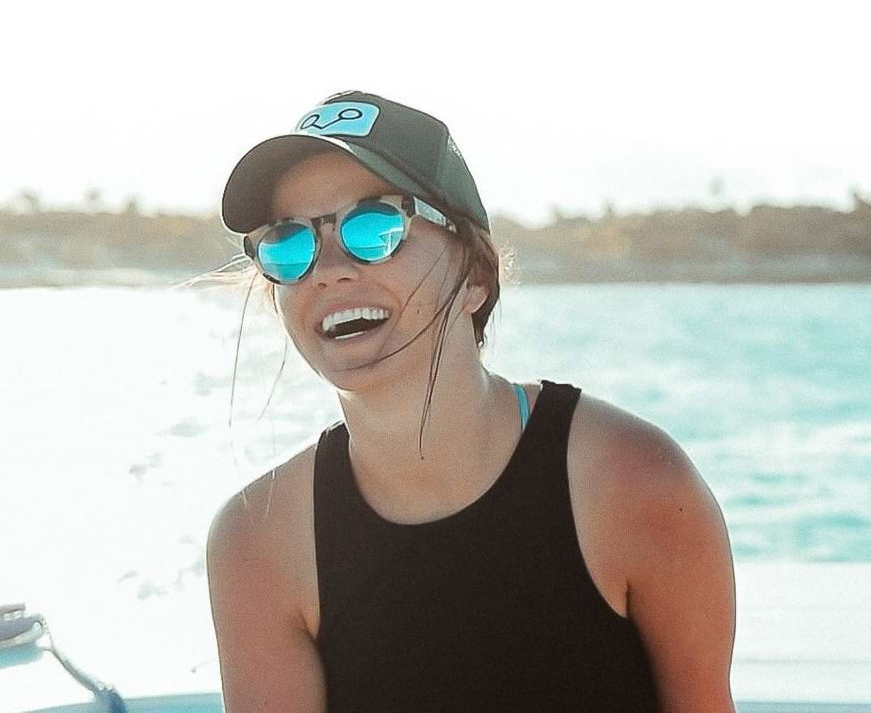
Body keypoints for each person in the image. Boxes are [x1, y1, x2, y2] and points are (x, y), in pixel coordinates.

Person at [205, 90, 737, 712]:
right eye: (289, 245)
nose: (328, 270)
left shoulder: (632, 478)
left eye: (375, 228)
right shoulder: (259, 540)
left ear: (477, 279)